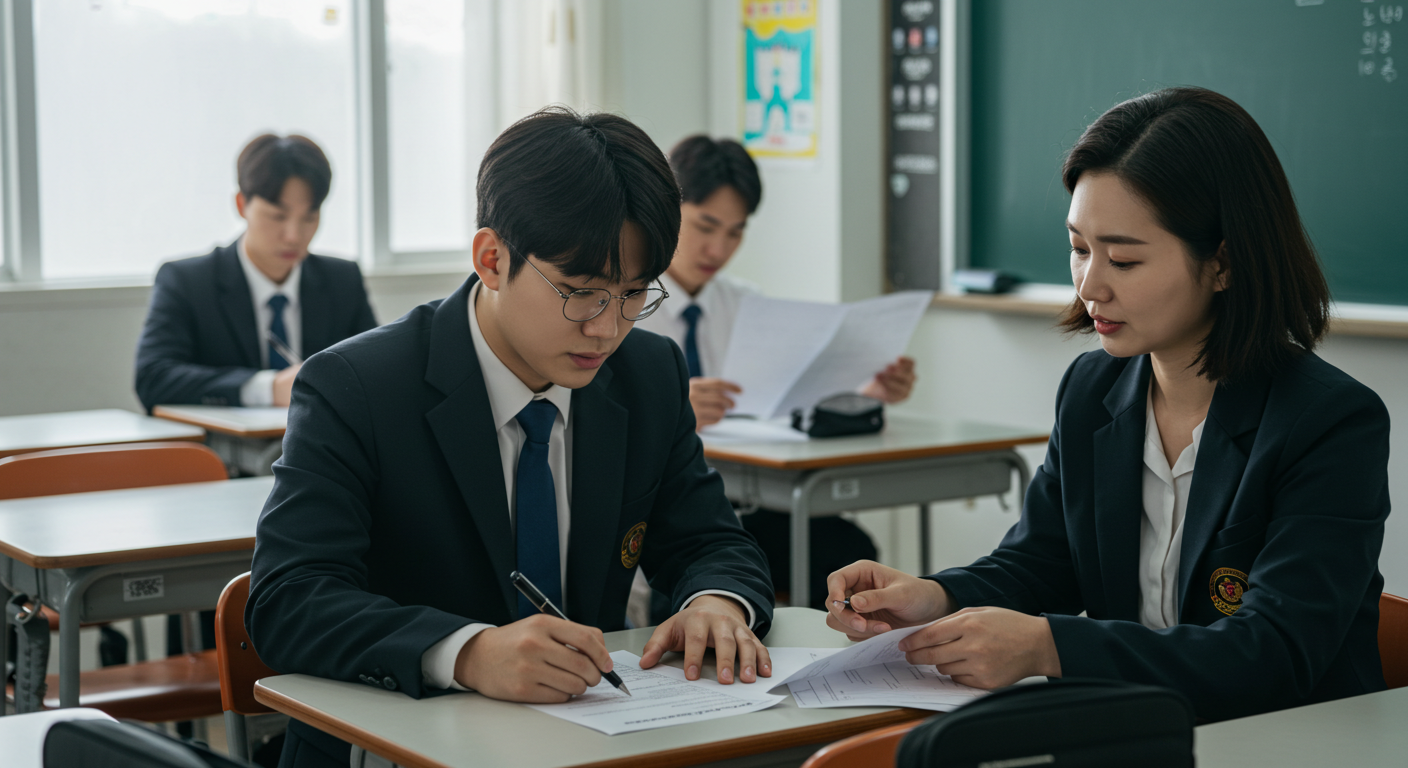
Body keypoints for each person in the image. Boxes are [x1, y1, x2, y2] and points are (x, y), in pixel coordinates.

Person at [825, 86, 1390, 722]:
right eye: (1079, 249)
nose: (1090, 285)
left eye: (1122, 259)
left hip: (1289, 740)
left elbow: (1274, 654)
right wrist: (936, 596)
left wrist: (1048, 646)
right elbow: (1043, 561)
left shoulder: (1330, 422)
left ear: (1223, 263)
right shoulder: (1092, 390)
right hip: (1139, 729)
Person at [246, 109, 775, 768]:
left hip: (591, 743)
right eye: (581, 293)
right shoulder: (357, 387)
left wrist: (716, 603)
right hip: (396, 748)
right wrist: (467, 652)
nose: (607, 329)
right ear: (492, 260)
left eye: (633, 294)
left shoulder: (648, 374)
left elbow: (710, 540)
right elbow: (289, 600)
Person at [633, 136, 913, 609]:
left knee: (848, 551)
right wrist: (674, 408)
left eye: (736, 232)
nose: (718, 248)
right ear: (668, 211)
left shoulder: (747, 305)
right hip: (664, 504)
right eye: (705, 226)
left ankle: (842, 651)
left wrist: (866, 391)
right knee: (682, 572)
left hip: (749, 499)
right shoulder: (627, 304)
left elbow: (789, 398)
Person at [134, 134, 377, 413]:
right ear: (241, 205)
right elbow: (152, 378)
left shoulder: (342, 280)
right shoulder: (188, 282)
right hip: (226, 441)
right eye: (278, 216)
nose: (294, 236)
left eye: (309, 217)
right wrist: (268, 388)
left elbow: (375, 370)